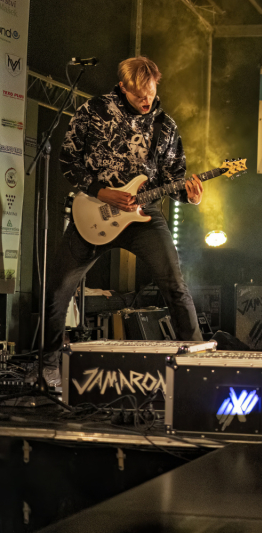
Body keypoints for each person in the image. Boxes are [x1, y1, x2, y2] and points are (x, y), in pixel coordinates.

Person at [27, 57, 205, 387]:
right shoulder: (93, 111)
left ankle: (197, 365)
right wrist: (101, 191)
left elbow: (173, 177)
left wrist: (190, 196)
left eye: (151, 92)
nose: (146, 99)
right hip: (94, 211)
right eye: (139, 94)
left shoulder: (165, 126)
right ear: (123, 87)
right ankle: (47, 366)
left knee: (175, 286)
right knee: (57, 289)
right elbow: (68, 159)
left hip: (143, 216)